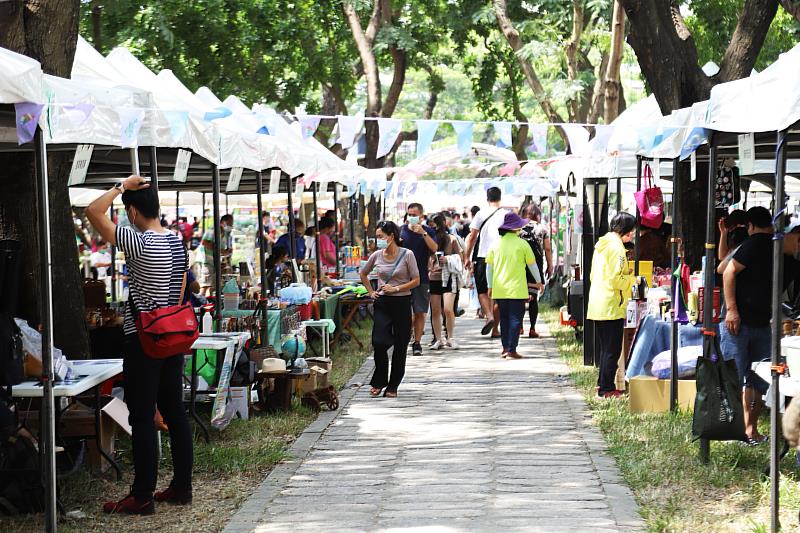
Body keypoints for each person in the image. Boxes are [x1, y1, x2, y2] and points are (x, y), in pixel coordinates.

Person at [86, 175, 193, 515]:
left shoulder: (137, 241)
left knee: (142, 415)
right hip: (174, 335)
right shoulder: (178, 243)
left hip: (143, 339)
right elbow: (181, 291)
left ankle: (142, 494)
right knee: (175, 412)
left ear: (132, 212)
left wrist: (120, 187)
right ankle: (181, 487)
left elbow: (93, 211)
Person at [721, 206, 775, 444]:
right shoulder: (758, 244)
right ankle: (736, 429)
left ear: (750, 225)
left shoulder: (759, 243)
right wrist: (732, 310)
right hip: (742, 323)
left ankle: (748, 430)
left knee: (751, 379)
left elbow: (723, 268)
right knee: (745, 378)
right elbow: (727, 271)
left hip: (756, 322)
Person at [361, 221, 420, 398]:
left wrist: (396, 288)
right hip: (383, 303)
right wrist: (371, 292)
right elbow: (363, 273)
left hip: (401, 302)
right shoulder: (377, 255)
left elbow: (416, 280)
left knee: (400, 345)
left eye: (380, 237)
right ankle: (379, 381)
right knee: (379, 342)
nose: (378, 240)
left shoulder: (407, 254)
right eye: (377, 237)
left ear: (391, 236)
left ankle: (393, 385)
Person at [586, 212, 637, 399]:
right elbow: (617, 279)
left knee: (606, 347)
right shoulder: (618, 250)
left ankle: (602, 383)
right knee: (613, 348)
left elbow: (593, 275)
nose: (631, 235)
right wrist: (631, 279)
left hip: (598, 301)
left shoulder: (602, 245)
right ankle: (607, 389)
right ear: (625, 230)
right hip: (611, 304)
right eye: (631, 231)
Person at [486, 212, 542, 359]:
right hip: (517, 288)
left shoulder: (495, 244)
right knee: (516, 319)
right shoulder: (523, 244)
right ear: (516, 228)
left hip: (500, 288)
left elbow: (489, 268)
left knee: (504, 319)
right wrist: (538, 282)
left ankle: (505, 348)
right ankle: (512, 350)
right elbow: (533, 266)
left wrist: (489, 285)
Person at [465, 187, 508, 337]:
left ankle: (489, 315)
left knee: (482, 291)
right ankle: (496, 329)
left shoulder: (480, 214)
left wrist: (467, 256)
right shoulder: (506, 214)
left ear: (487, 198)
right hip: (502, 257)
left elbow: (472, 237)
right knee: (498, 293)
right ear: (500, 198)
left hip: (483, 257)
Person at [400, 203, 438, 357]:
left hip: (421, 277)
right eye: (409, 214)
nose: (412, 217)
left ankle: (417, 342)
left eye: (415, 214)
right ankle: (405, 336)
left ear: (421, 216)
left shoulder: (428, 231)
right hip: (402, 278)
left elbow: (434, 248)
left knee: (420, 311)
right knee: (405, 312)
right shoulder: (401, 231)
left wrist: (423, 233)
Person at [428, 213, 462, 350]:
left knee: (448, 309)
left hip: (449, 277)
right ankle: (438, 338)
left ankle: (450, 337)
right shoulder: (429, 239)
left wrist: (448, 259)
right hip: (434, 277)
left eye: (435, 223)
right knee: (435, 310)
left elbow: (460, 257)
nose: (434, 226)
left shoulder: (451, 239)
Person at [519, 203, 553, 338]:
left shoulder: (519, 228)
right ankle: (532, 328)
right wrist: (550, 266)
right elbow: (548, 249)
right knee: (533, 298)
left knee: (520, 296)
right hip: (536, 266)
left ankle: (519, 327)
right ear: (537, 215)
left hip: (521, 266)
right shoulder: (542, 229)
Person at [200, 214, 233, 296]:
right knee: (206, 284)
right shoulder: (213, 229)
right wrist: (221, 251)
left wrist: (226, 251)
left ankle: (210, 302)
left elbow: (220, 247)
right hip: (207, 261)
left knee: (213, 285)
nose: (230, 225)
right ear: (223, 222)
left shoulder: (224, 233)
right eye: (229, 223)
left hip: (214, 262)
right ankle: (200, 301)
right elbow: (205, 242)